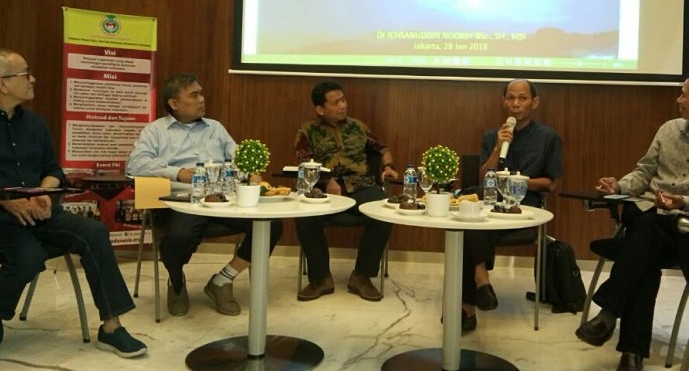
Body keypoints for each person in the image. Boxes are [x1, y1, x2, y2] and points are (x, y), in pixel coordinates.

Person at [575, 67, 689, 371]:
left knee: (645, 246)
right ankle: (627, 348)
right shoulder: (668, 130)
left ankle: (614, 325)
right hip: (648, 217)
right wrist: (619, 185)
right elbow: (644, 173)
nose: (678, 99)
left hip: (688, 229)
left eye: (684, 93)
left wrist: (685, 201)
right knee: (648, 231)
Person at [0, 49, 147, 357]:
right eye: (25, 73)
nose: (33, 79)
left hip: (42, 213)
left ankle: (111, 327)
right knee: (28, 257)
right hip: (3, 219)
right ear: (3, 84)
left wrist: (44, 191)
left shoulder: (35, 125)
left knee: (93, 233)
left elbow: (53, 170)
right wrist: (6, 202)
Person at [126, 73, 282, 317]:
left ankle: (222, 280)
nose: (202, 99)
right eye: (194, 95)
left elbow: (238, 159)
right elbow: (135, 165)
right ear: (174, 104)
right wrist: (178, 173)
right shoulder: (155, 131)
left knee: (270, 224)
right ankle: (176, 282)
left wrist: (251, 173)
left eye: (201, 93)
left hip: (223, 200)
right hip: (182, 202)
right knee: (177, 237)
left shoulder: (215, 128)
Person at [460, 79, 562, 332]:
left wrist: (518, 182)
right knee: (468, 221)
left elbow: (551, 183)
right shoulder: (491, 136)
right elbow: (483, 178)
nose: (516, 104)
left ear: (534, 102)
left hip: (524, 207)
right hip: (490, 204)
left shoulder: (549, 137)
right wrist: (497, 147)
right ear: (504, 101)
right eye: (511, 98)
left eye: (523, 98)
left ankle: (467, 306)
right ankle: (480, 284)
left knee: (470, 227)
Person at [294, 81, 397, 302]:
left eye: (344, 100)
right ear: (320, 109)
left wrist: (389, 167)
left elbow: (382, 149)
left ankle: (362, 276)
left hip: (360, 185)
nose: (343, 106)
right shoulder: (307, 130)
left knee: (384, 210)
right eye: (336, 102)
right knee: (304, 216)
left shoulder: (358, 127)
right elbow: (304, 162)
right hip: (324, 189)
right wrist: (327, 179)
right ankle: (320, 278)